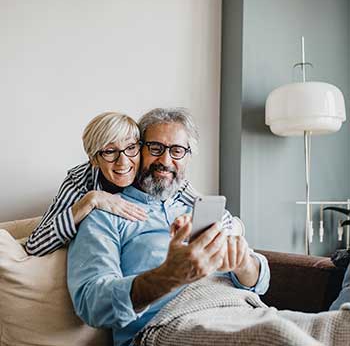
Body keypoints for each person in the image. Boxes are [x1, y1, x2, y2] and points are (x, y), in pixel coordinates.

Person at [67, 108, 270, 346]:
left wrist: (242, 262)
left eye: (176, 151)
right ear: (138, 150)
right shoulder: (105, 215)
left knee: (321, 328)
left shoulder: (203, 209)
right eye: (155, 148)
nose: (165, 161)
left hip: (246, 310)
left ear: (187, 157)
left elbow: (261, 283)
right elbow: (92, 304)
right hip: (167, 326)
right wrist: (166, 277)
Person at [25, 112, 148, 256]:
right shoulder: (79, 180)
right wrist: (91, 199)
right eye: (109, 151)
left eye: (131, 147)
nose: (123, 161)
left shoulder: (152, 169)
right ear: (93, 159)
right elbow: (35, 246)